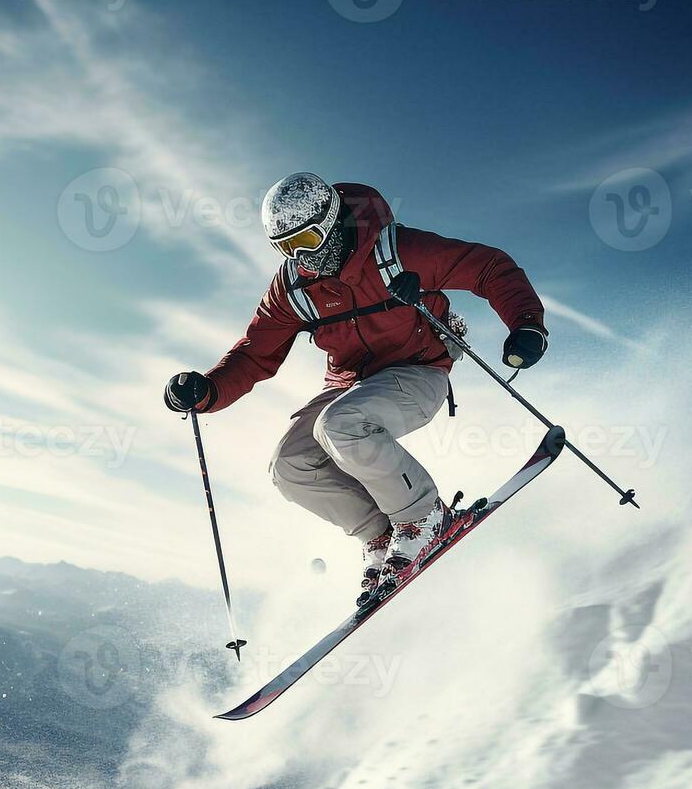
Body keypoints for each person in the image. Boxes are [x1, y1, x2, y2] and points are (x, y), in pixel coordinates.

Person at [164, 173, 549, 602]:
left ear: (330, 222)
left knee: (340, 423)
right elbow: (256, 352)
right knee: (290, 466)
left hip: (418, 370)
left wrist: (526, 324)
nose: (302, 256)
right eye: (287, 248)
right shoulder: (293, 287)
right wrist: (208, 390)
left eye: (308, 239)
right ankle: (381, 534)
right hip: (351, 385)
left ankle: (423, 518)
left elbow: (490, 268)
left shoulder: (397, 252)